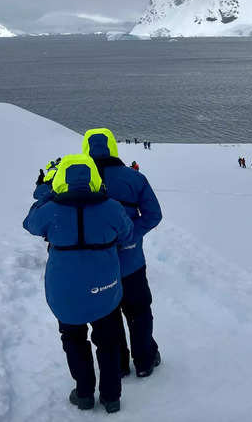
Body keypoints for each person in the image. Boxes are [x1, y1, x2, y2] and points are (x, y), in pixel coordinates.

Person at [23, 154, 133, 413]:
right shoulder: (111, 207)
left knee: (73, 339)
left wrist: (49, 194)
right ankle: (111, 396)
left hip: (65, 291)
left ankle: (84, 392)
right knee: (107, 340)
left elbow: (30, 223)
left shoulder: (51, 210)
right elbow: (127, 232)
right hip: (104, 287)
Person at [83, 128, 163, 379]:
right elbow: (153, 215)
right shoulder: (134, 177)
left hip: (97, 265)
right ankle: (145, 360)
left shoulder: (79, 182)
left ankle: (118, 363)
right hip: (131, 262)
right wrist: (130, 234)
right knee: (139, 311)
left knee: (108, 315)